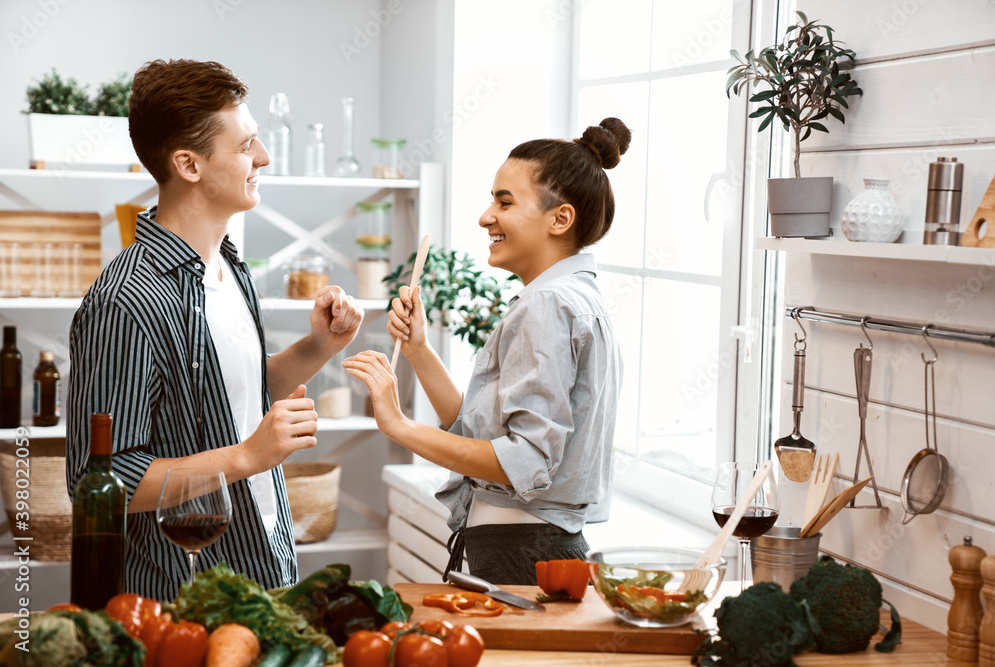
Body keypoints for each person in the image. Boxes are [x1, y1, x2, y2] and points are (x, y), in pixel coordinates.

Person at [66, 59, 363, 600]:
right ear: (189, 164)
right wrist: (247, 456)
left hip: (265, 562)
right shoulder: (125, 301)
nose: (264, 158)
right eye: (247, 145)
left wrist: (320, 346)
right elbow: (101, 483)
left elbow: (226, 397)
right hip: (182, 597)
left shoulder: (228, 267)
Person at [343, 118, 629, 584]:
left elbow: (524, 461)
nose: (485, 217)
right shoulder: (573, 299)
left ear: (560, 219)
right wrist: (418, 350)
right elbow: (483, 437)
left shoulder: (547, 305)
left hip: (521, 553)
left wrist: (398, 424)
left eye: (504, 202)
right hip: (534, 548)